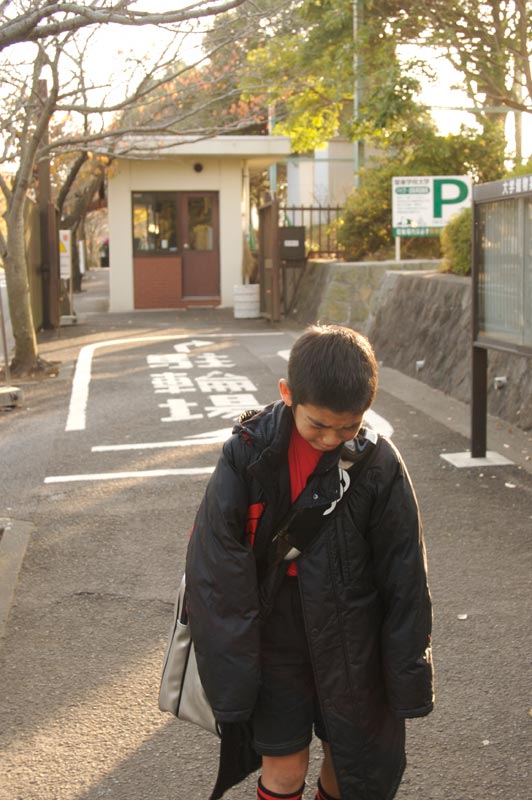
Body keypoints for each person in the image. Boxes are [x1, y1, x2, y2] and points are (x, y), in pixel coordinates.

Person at [185, 324, 434, 800]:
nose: (331, 438)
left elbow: (404, 574)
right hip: (275, 632)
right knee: (284, 766)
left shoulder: (379, 463)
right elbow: (215, 564)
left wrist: (407, 674)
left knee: (349, 763)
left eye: (349, 426)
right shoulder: (248, 451)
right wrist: (232, 668)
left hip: (354, 634)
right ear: (287, 394)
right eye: (318, 425)